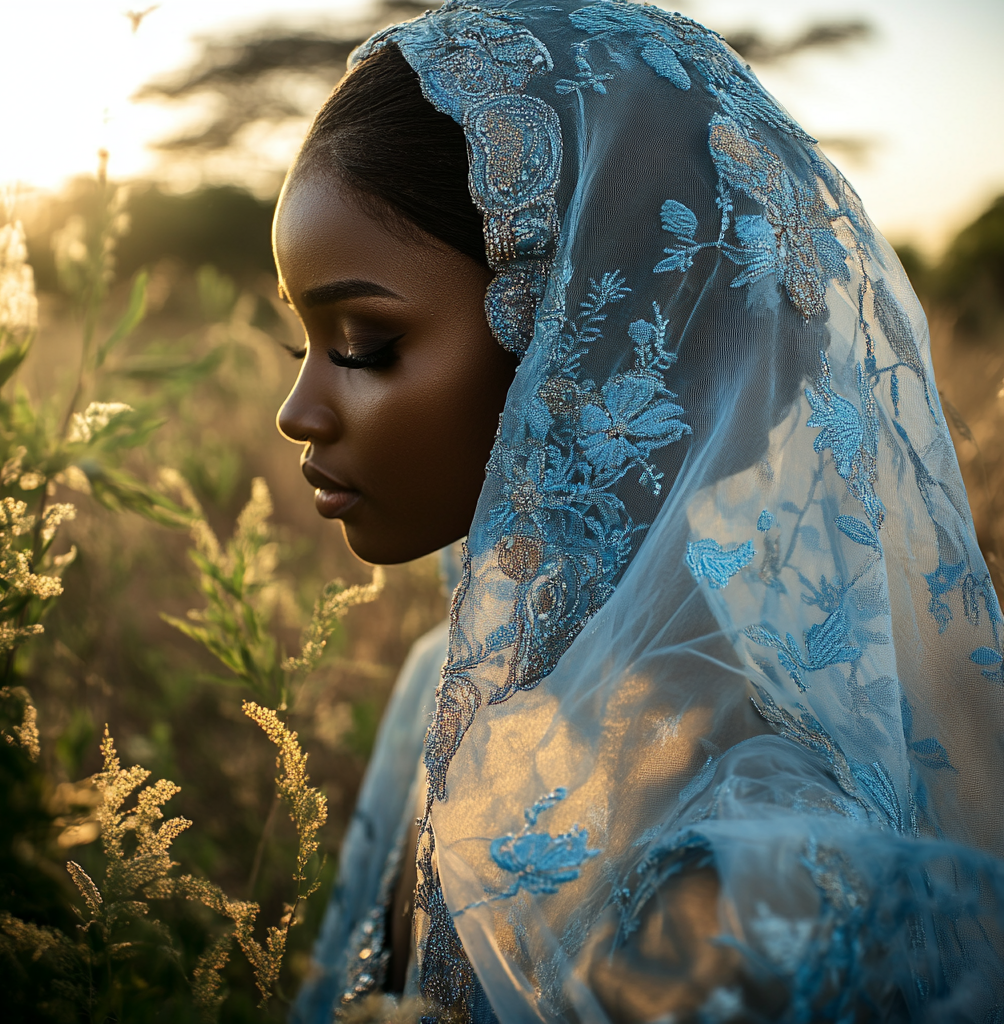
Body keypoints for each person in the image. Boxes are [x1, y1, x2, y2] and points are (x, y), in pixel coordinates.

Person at [275, 1, 1004, 1020]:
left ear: (597, 342)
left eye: (362, 342)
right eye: (298, 343)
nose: (296, 410)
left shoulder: (758, 892)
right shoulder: (429, 699)